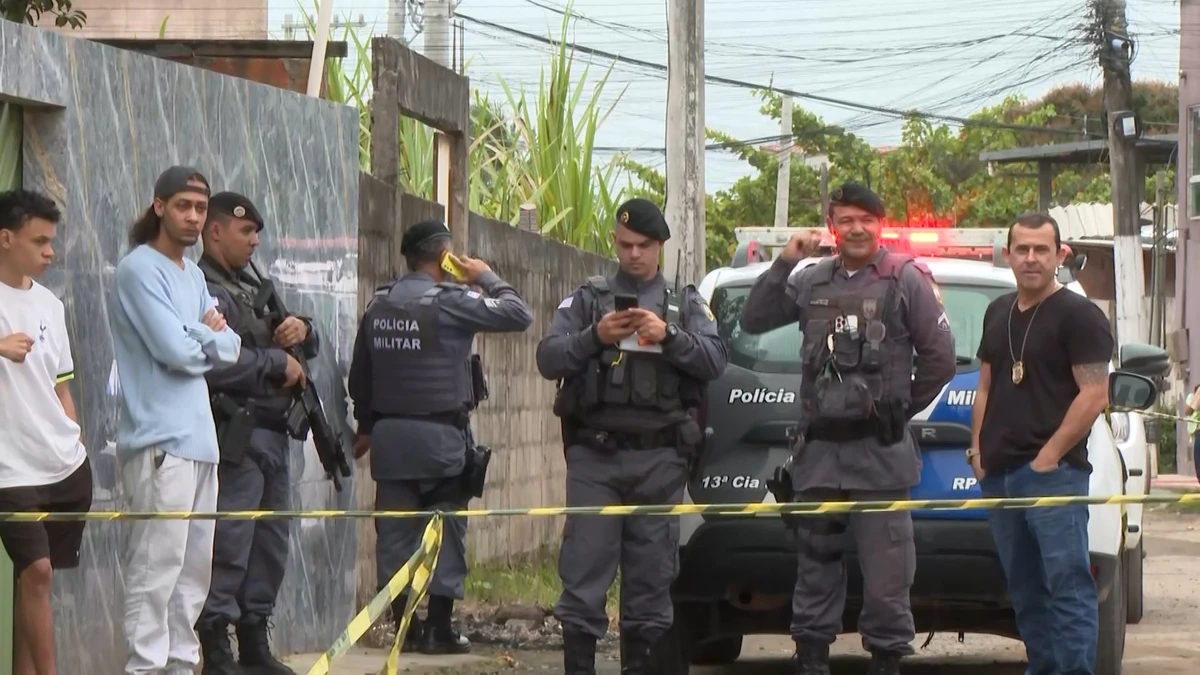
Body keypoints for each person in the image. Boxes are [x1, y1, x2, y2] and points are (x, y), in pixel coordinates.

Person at [740, 182, 956, 675]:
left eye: (866, 218)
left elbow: (940, 359)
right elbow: (753, 320)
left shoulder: (905, 279)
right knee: (814, 570)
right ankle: (812, 659)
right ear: (831, 225)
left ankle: (885, 662)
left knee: (887, 576)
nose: (857, 228)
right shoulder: (810, 279)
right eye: (846, 219)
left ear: (881, 224)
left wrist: (898, 410)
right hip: (819, 459)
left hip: (880, 458)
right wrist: (783, 260)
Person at [537, 198, 729, 674]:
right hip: (594, 459)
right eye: (625, 245)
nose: (634, 254)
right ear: (615, 244)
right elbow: (548, 357)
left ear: (660, 246)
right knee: (583, 575)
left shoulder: (683, 303)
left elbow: (715, 361)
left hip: (659, 460)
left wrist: (668, 336)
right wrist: (594, 337)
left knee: (649, 582)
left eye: (644, 245)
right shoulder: (588, 298)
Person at [347, 219, 533, 653]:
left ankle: (404, 630)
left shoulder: (378, 304)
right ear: (445, 257)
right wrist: (484, 276)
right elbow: (518, 314)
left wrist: (366, 427)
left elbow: (361, 377)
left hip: (389, 441)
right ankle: (439, 630)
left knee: (394, 536)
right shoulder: (452, 301)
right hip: (440, 439)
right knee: (447, 529)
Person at [110, 166, 242, 675]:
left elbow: (231, 348)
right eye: (183, 205)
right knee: (154, 573)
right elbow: (174, 353)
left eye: (200, 208)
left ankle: (183, 668)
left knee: (193, 579)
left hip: (201, 444)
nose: (192, 216)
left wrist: (202, 337)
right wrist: (204, 333)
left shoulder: (192, 275)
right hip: (160, 444)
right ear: (159, 206)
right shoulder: (139, 269)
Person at [969, 212, 1114, 675]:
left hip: (1053, 476)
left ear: (1060, 255)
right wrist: (978, 450)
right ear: (1007, 253)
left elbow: (1095, 394)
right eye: (1023, 249)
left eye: (1042, 250)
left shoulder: (1080, 315)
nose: (1031, 259)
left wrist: (1048, 457)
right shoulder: (998, 311)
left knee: (1067, 587)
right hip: (1000, 476)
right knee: (1026, 592)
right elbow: (987, 385)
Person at [194, 192, 318, 674]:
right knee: (231, 541)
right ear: (216, 231)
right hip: (237, 432)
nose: (254, 241)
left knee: (270, 542)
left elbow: (303, 342)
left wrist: (301, 329)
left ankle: (254, 640)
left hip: (272, 433)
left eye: (257, 233)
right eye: (246, 232)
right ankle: (218, 646)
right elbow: (215, 362)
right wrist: (274, 361)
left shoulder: (250, 284)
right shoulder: (203, 287)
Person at [0, 189, 94, 675]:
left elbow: (61, 387)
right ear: (6, 237)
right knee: (35, 573)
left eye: (51, 241)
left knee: (34, 580)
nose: (50, 252)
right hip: (9, 471)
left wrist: (72, 433)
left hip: (63, 465)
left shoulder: (50, 304)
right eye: (40, 241)